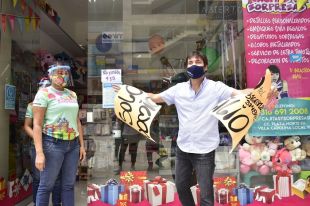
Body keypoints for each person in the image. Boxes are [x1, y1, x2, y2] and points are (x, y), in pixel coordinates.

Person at [146, 51, 254, 206]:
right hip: (183, 148)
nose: (193, 65)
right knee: (181, 186)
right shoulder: (178, 89)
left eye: (197, 62)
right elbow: (155, 98)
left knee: (206, 193)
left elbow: (240, 94)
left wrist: (261, 92)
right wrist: (128, 93)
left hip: (205, 150)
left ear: (205, 67)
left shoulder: (216, 88)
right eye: (190, 62)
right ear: (186, 68)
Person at [32, 63, 86, 206]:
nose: (61, 76)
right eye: (57, 72)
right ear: (50, 75)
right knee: (46, 186)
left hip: (73, 145)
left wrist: (82, 145)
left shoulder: (72, 94)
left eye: (65, 73)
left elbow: (77, 121)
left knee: (68, 185)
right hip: (52, 144)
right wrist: (39, 152)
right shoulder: (43, 93)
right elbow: (37, 124)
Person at [24, 77, 62, 206]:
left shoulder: (57, 104)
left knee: (57, 177)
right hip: (37, 145)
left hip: (54, 143)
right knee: (38, 177)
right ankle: (36, 203)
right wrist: (37, 137)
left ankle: (57, 203)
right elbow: (27, 126)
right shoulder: (32, 105)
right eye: (42, 86)